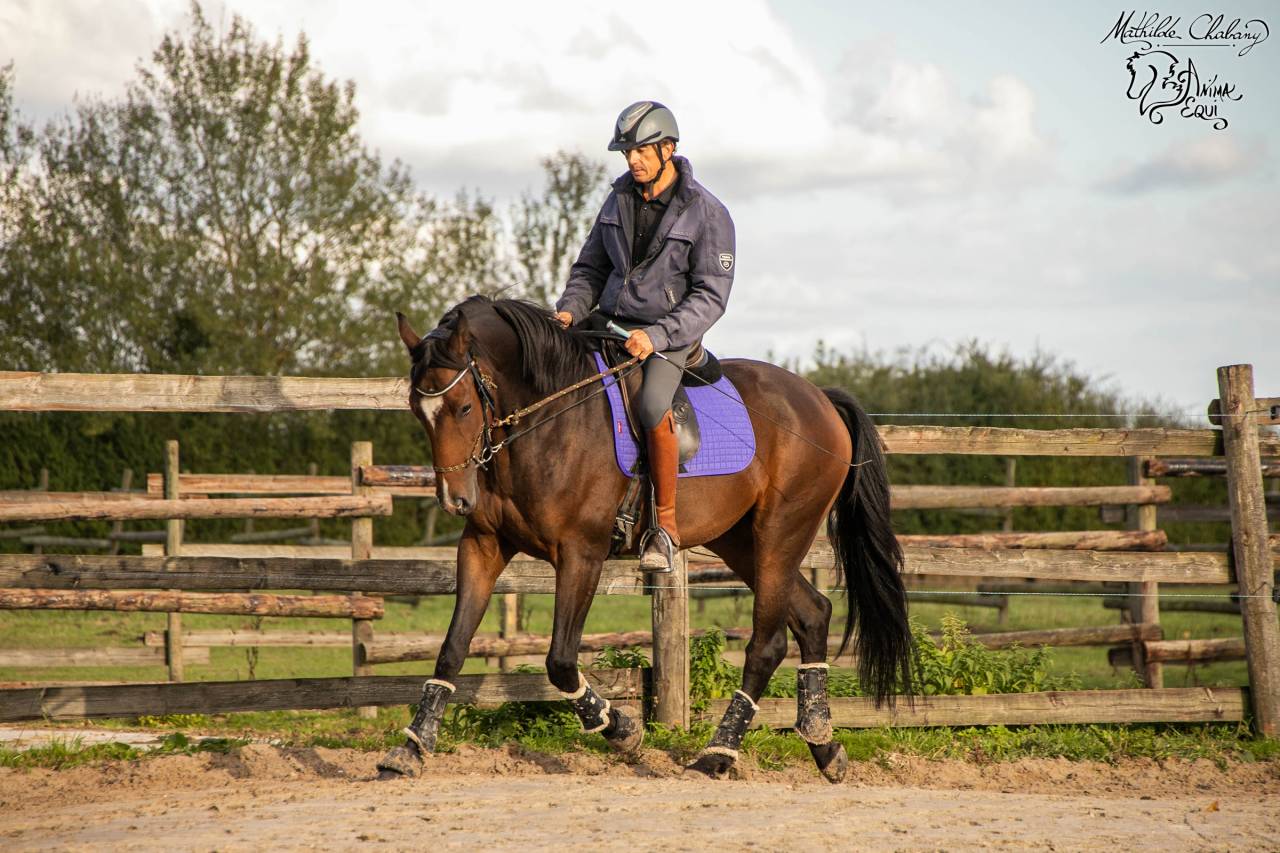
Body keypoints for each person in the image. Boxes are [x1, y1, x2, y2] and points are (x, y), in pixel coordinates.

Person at [554, 101, 736, 572]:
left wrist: (657, 336)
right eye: (626, 152)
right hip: (608, 324)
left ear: (668, 149)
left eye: (640, 150)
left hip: (670, 337)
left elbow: (710, 297)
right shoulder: (616, 200)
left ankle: (665, 528)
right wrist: (571, 310)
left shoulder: (708, 213)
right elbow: (591, 267)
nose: (632, 160)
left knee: (652, 404)